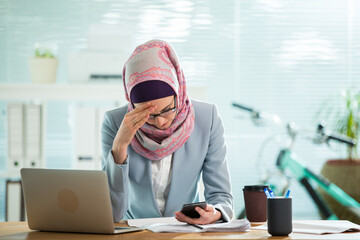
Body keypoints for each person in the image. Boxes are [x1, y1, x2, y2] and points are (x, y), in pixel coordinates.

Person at [101, 39, 233, 224]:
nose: (160, 122)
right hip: (135, 234)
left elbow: (222, 197)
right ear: (132, 105)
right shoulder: (115, 123)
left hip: (186, 232)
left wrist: (216, 213)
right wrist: (120, 146)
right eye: (147, 115)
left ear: (178, 93)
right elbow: (112, 212)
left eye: (167, 109)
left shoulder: (207, 118)